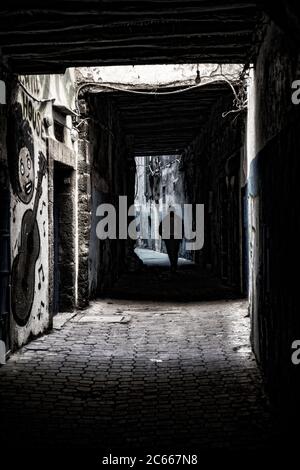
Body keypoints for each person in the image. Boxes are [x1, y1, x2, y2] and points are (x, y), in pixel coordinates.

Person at [159, 208, 184, 273]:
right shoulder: (178, 219)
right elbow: (182, 229)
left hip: (171, 238)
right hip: (173, 238)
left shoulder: (166, 219)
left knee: (172, 251)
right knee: (174, 252)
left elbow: (160, 228)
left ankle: (173, 265)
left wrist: (162, 235)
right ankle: (173, 265)